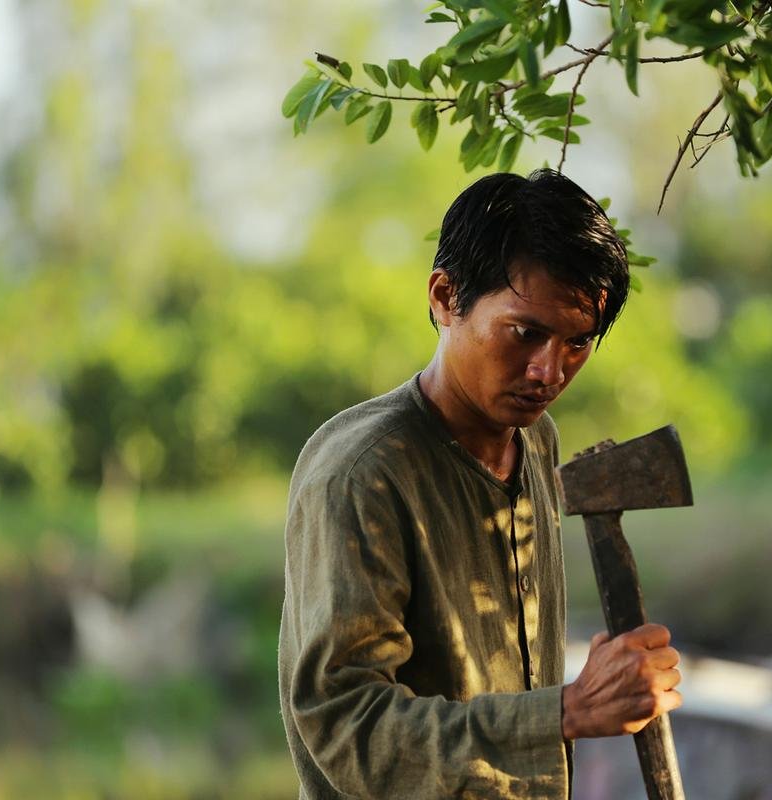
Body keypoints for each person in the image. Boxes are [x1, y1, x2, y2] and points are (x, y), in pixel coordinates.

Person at [278, 169, 683, 799]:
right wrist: (565, 711)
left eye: (577, 342)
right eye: (526, 333)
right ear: (445, 297)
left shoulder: (537, 439)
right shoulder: (364, 472)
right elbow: (345, 726)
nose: (550, 370)